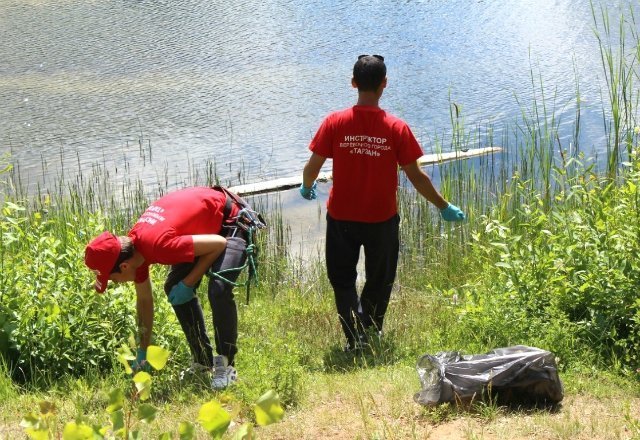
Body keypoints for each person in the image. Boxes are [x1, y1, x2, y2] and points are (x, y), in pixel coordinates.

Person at [300, 54, 466, 351]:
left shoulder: (335, 122)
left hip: (341, 218)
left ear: (353, 83)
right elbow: (417, 176)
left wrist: (307, 186)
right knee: (380, 278)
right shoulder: (396, 127)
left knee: (342, 278)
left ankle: (355, 338)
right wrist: (443, 206)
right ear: (384, 84)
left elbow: (313, 166)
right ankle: (368, 331)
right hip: (381, 219)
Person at [84, 186, 265, 389]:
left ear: (124, 266)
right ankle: (202, 361)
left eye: (113, 279)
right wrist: (143, 352)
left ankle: (226, 364)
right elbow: (144, 301)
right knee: (173, 287)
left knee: (219, 288)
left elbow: (218, 244)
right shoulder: (135, 250)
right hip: (205, 228)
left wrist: (188, 282)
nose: (115, 283)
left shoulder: (158, 245)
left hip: (231, 221)